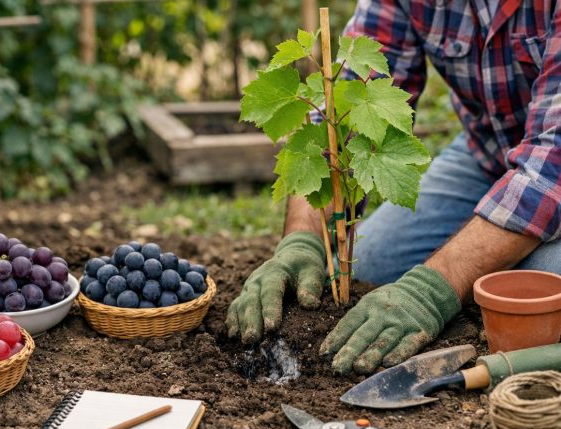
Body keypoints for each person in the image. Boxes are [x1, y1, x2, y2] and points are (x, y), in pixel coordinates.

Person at [226, 0, 560, 374]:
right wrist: (302, 240)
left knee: (539, 282)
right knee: (372, 265)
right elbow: (342, 117)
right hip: (488, 157)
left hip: (552, 168)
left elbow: (553, 160)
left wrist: (431, 291)